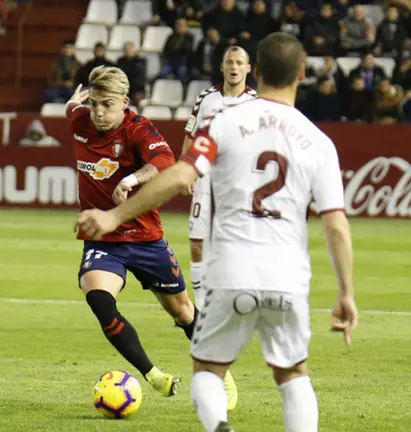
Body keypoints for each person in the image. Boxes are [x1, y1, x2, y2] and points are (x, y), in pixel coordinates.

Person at [76, 33, 359, 432]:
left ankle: (218, 427)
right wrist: (346, 293)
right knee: (294, 376)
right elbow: (336, 224)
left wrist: (114, 215)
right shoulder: (319, 141)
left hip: (231, 269)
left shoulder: (226, 120)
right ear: (301, 72)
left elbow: (179, 175)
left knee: (208, 370)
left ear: (255, 71)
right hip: (287, 276)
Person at [65, 65, 236, 399]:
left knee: (184, 312)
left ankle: (222, 375)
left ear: (125, 102)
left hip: (145, 238)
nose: (98, 113)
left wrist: (131, 180)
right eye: (94, 104)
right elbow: (73, 107)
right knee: (99, 299)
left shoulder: (138, 129)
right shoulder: (79, 119)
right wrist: (76, 103)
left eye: (107, 105)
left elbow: (165, 160)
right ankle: (153, 375)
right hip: (103, 239)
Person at [180, 45, 255, 412]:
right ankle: (204, 305)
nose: (234, 68)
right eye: (230, 62)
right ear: (223, 67)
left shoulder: (255, 103)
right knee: (196, 244)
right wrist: (186, 170)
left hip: (235, 181)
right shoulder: (206, 98)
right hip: (206, 177)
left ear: (248, 69)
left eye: (240, 63)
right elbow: (190, 135)